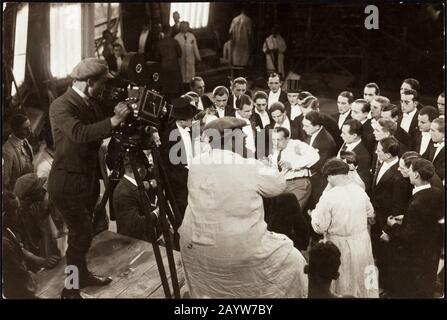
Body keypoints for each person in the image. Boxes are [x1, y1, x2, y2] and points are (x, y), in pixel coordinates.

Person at [179, 117, 308, 298]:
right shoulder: (249, 166)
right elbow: (278, 185)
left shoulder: (197, 163)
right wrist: (258, 162)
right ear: (232, 140)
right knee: (294, 260)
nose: (248, 142)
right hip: (234, 248)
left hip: (193, 244)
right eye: (244, 139)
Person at [47, 58, 130, 299]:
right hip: (67, 183)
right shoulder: (61, 106)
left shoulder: (90, 102)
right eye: (102, 83)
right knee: (81, 235)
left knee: (80, 234)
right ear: (89, 82)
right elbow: (80, 133)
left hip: (86, 181)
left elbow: (103, 119)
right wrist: (114, 120)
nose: (104, 88)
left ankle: (81, 275)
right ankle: (70, 289)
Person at [309, 158, 378, 298]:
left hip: (339, 244)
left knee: (343, 280)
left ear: (331, 175)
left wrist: (313, 215)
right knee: (363, 276)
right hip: (361, 242)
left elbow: (320, 227)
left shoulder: (328, 197)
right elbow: (370, 213)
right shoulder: (360, 191)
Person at [383, 159, 443, 297]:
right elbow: (430, 221)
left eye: (409, 170)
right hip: (432, 252)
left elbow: (408, 235)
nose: (407, 173)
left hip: (415, 257)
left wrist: (393, 226)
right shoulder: (438, 193)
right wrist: (407, 217)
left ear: (416, 175)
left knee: (412, 290)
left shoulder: (417, 202)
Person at [2, 190, 60, 299]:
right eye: (16, 210)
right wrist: (27, 276)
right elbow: (16, 277)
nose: (19, 213)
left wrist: (41, 261)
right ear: (5, 214)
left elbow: (18, 247)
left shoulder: (7, 230)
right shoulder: (4, 243)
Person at [159, 97, 198, 223]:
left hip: (191, 178)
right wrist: (187, 176)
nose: (193, 121)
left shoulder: (188, 131)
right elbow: (170, 165)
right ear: (181, 121)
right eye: (191, 119)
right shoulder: (170, 135)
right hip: (179, 183)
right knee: (183, 214)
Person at [270, 127, 319, 208]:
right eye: (273, 140)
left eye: (279, 139)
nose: (276, 143)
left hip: (298, 184)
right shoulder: (277, 149)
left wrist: (293, 165)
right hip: (283, 185)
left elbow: (315, 157)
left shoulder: (297, 145)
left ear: (287, 138)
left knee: (291, 213)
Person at [112, 154, 157, 241]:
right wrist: (156, 213)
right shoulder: (124, 193)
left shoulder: (130, 185)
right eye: (145, 168)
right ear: (139, 170)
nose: (147, 171)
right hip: (134, 242)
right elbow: (136, 225)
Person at [3, 113, 34, 191]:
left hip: (29, 186)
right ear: (15, 129)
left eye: (29, 127)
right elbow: (4, 181)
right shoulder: (7, 151)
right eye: (25, 128)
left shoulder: (24, 140)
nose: (29, 131)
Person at [338, 119, 371, 190]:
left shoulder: (363, 156)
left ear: (354, 135)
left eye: (344, 133)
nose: (341, 135)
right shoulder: (346, 142)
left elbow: (362, 184)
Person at [155, 24, 182, 100]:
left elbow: (157, 57)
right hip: (174, 67)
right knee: (175, 89)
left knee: (166, 89)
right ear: (170, 31)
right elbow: (180, 54)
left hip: (164, 68)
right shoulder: (174, 42)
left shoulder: (159, 43)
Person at [174, 21, 201, 91]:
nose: (184, 28)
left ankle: (192, 91)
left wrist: (198, 58)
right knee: (183, 78)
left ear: (188, 27)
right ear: (180, 28)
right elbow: (175, 51)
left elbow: (195, 48)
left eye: (186, 27)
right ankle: (184, 92)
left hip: (190, 60)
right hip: (181, 61)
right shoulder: (176, 37)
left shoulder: (191, 36)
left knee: (191, 78)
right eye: (182, 27)